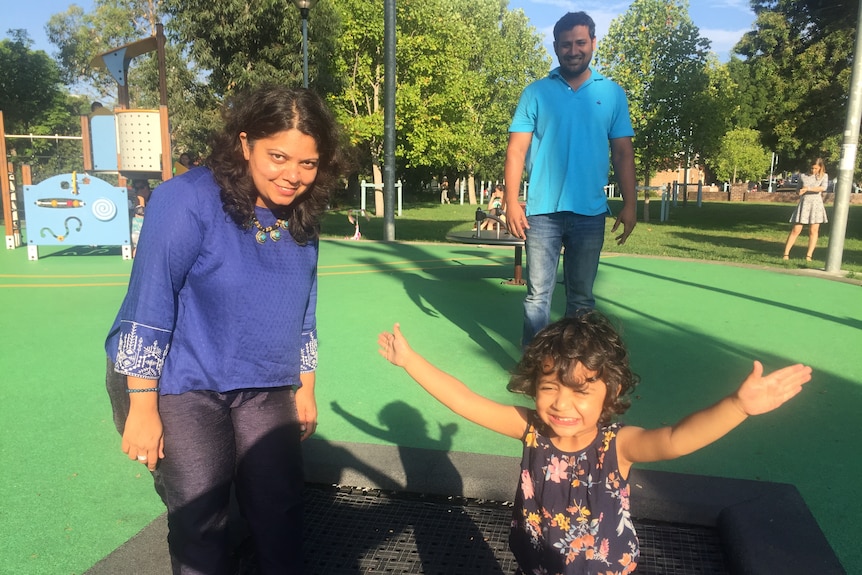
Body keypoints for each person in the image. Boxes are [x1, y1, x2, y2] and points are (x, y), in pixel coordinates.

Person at [104, 85, 343, 574]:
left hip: (262, 379)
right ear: (244, 143)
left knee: (279, 506)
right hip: (180, 379)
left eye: (308, 163)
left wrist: (307, 386)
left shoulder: (301, 215)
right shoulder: (185, 199)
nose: (292, 176)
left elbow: (304, 306)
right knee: (200, 513)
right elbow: (150, 301)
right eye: (278, 156)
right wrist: (142, 407)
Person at [377, 313, 811, 575]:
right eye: (550, 388)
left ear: (611, 391)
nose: (562, 404)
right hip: (539, 563)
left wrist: (738, 405)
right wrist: (410, 360)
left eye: (581, 391)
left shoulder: (616, 447)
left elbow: (677, 439)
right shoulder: (531, 430)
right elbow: (465, 400)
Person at [504, 11, 638, 347]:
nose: (573, 50)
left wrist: (631, 203)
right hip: (542, 213)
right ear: (556, 47)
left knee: (581, 300)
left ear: (593, 42)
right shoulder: (535, 93)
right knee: (538, 299)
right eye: (566, 44)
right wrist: (510, 202)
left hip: (590, 214)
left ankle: (575, 368)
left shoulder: (611, 94)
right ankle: (535, 370)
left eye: (580, 42)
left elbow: (623, 153)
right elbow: (516, 152)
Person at [782, 158, 829, 261]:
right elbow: (797, 189)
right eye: (812, 168)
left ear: (820, 167)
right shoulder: (803, 176)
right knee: (796, 229)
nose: (813, 170)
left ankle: (809, 255)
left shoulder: (824, 176)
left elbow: (823, 188)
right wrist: (799, 192)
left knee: (813, 230)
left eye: (816, 168)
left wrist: (808, 189)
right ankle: (786, 254)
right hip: (804, 204)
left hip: (816, 204)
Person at [128, 179, 152, 258]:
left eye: (141, 187)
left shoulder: (154, 196)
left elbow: (142, 212)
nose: (139, 191)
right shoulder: (137, 199)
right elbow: (139, 213)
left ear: (146, 188)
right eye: (136, 189)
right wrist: (140, 199)